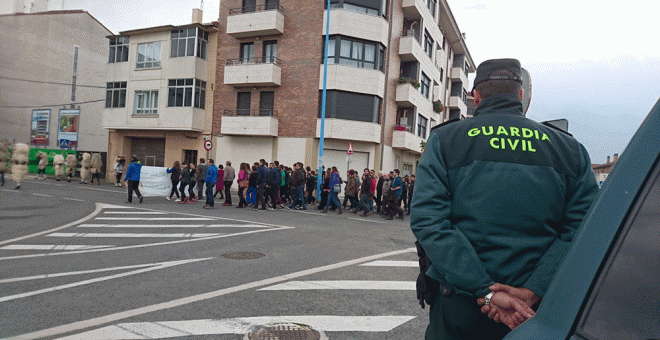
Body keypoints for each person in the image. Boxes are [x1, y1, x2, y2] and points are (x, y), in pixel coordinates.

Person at [410, 59, 599, 339]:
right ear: (520, 96)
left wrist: (486, 290)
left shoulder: (447, 140)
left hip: (460, 303)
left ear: (476, 97)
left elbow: (429, 220)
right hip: (537, 310)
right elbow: (584, 229)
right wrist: (532, 291)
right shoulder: (569, 149)